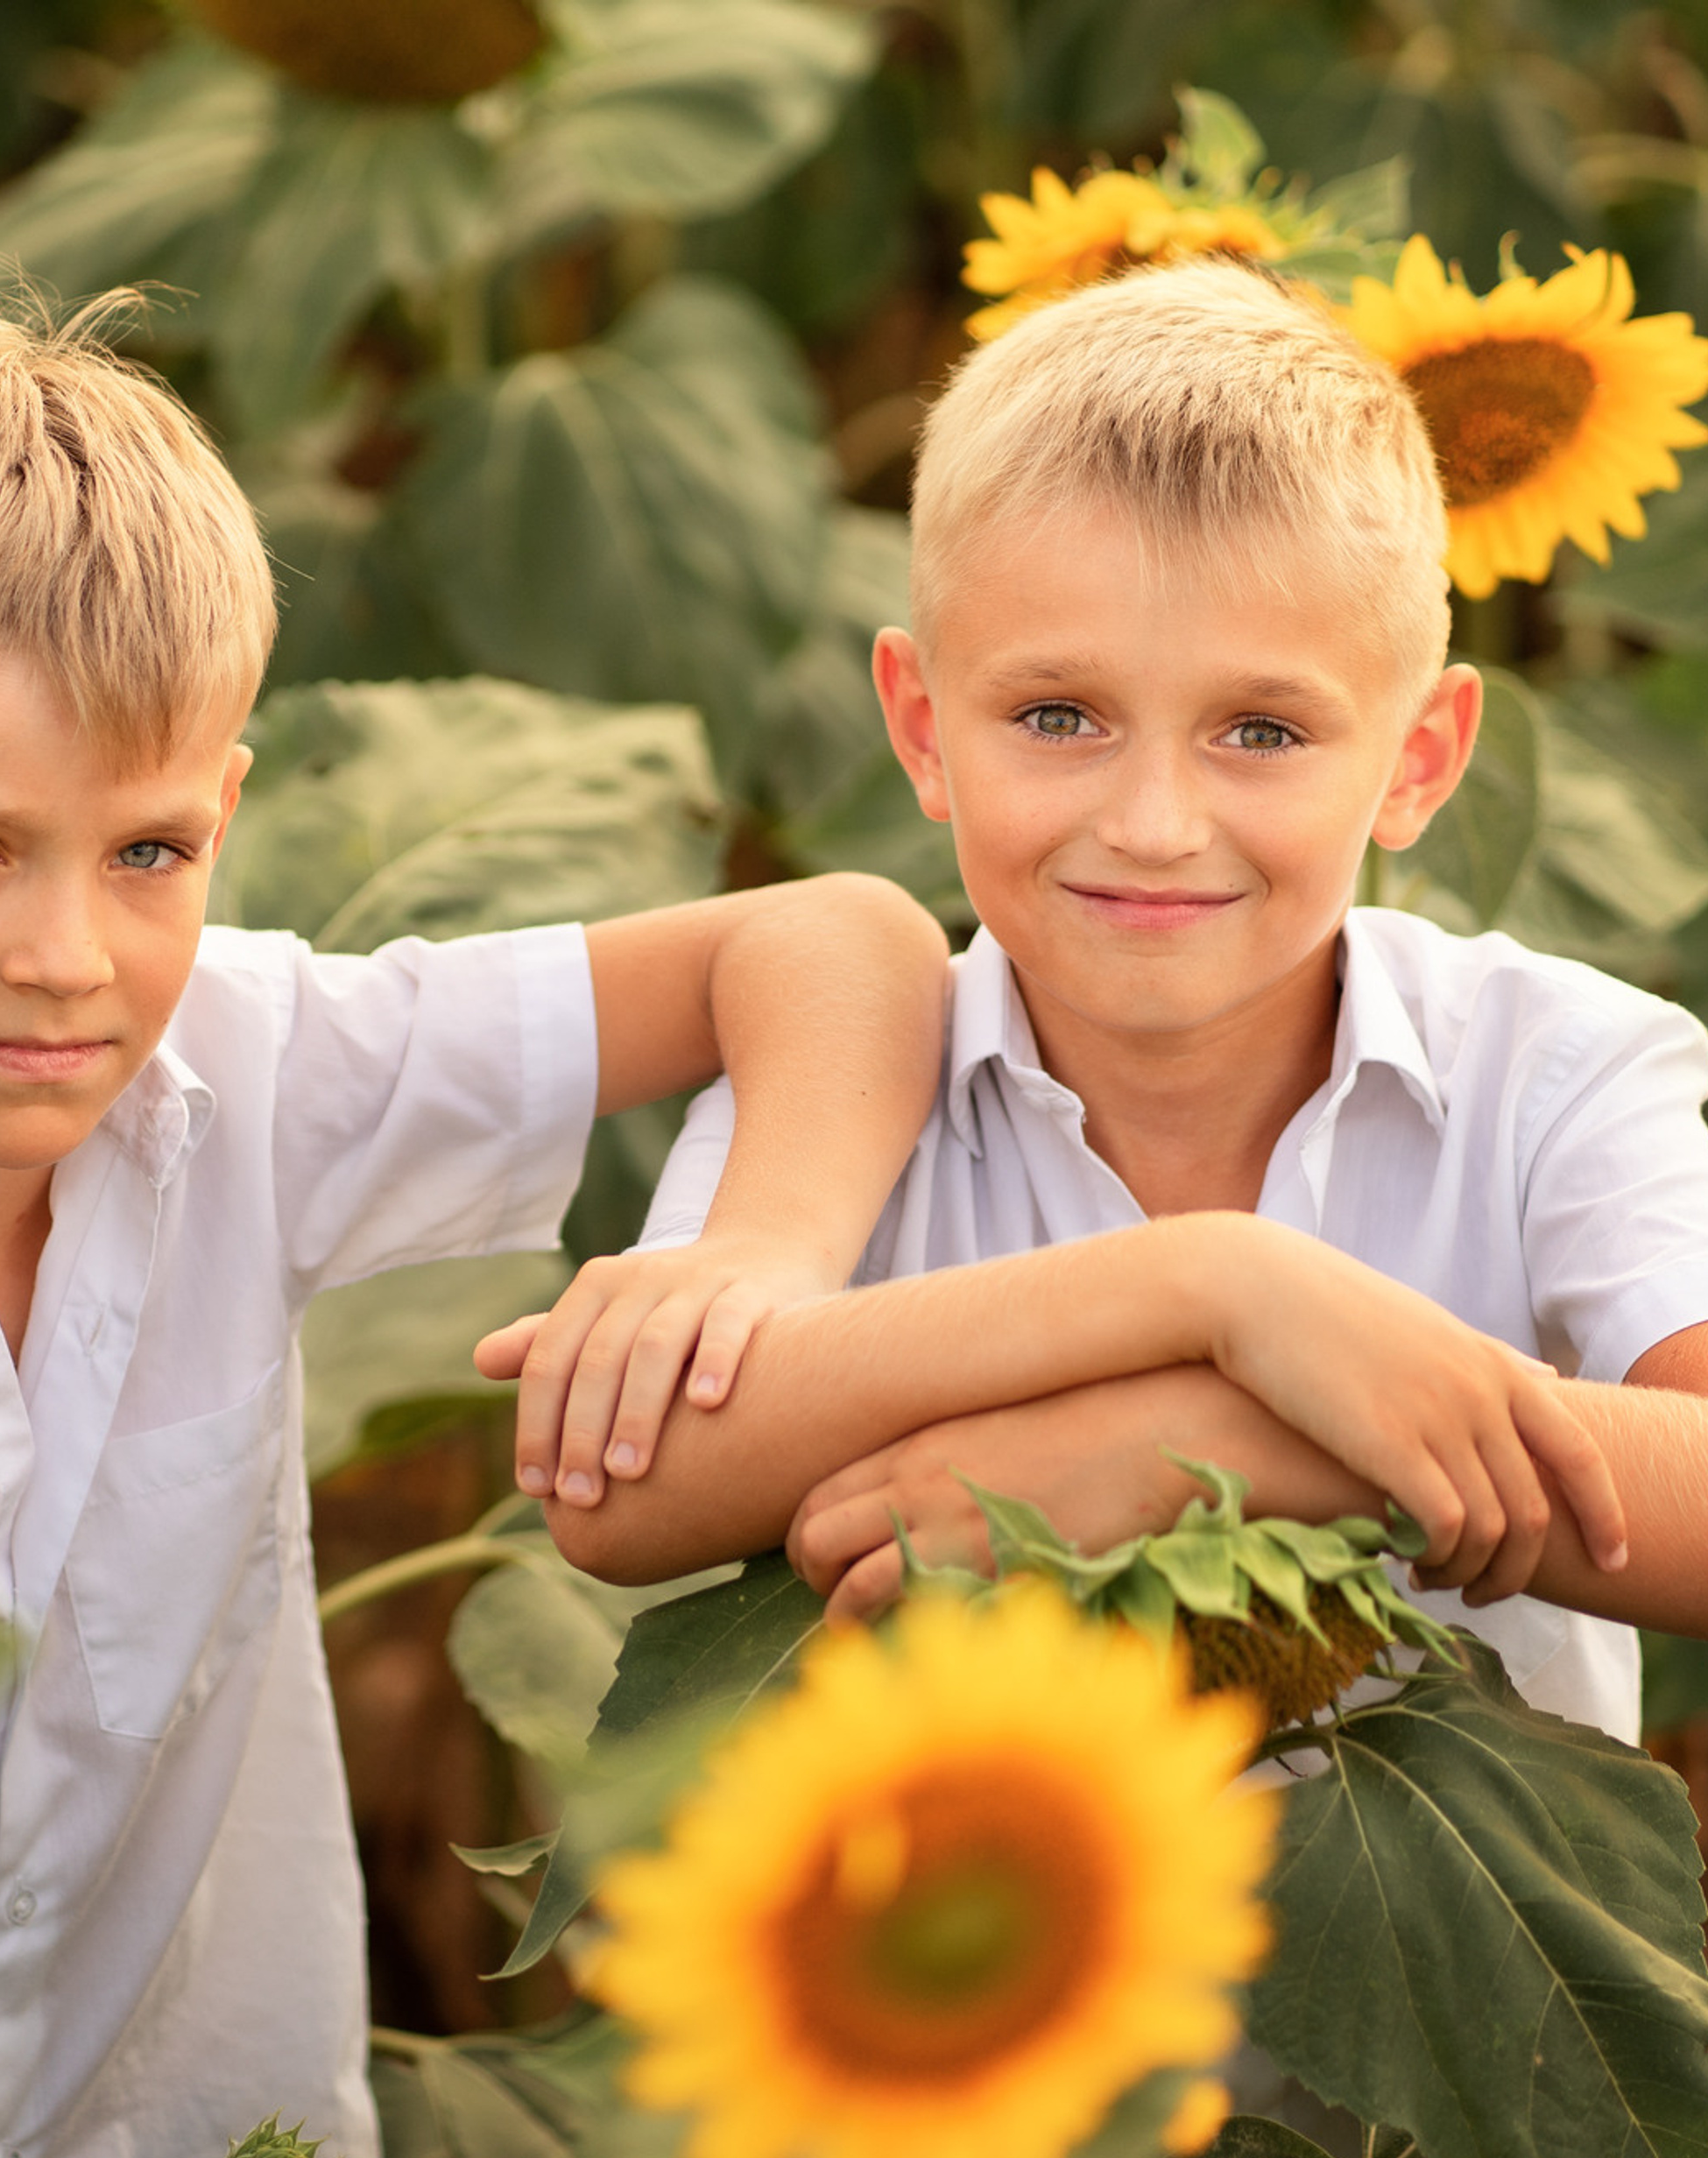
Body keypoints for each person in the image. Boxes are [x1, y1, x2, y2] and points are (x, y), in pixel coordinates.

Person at [0, 304, 959, 2158]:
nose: (69, 952)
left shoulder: (253, 1070)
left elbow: (839, 942)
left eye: (149, 851)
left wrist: (748, 1261)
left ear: (225, 812)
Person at [485, 258, 1708, 1738]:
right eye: (1058, 716)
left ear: (1420, 761)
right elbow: (628, 1486)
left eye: (1260, 730)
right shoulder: (858, 1079)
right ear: (923, 729)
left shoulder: (1554, 1071)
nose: (1150, 821)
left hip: (1445, 1954)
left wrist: (1226, 1440)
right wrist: (1220, 1296)